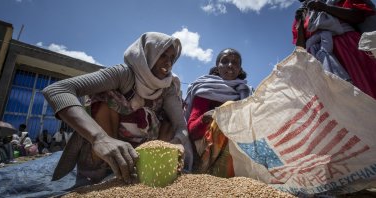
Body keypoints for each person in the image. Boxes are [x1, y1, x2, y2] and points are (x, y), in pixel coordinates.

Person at [43, 32, 193, 186]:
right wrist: (100, 139)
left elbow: (180, 126)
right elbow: (57, 90)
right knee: (105, 99)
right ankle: (105, 171)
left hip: (145, 154)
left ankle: (150, 174)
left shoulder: (168, 87)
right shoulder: (123, 74)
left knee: (168, 122)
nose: (168, 63)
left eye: (172, 58)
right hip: (108, 147)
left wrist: (176, 143)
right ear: (148, 53)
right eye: (163, 55)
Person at [184, 48, 253, 177]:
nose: (230, 65)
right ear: (217, 67)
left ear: (239, 69)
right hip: (205, 145)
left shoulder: (245, 93)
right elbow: (192, 132)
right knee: (229, 108)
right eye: (225, 61)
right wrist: (206, 118)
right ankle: (205, 170)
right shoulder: (205, 89)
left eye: (235, 63)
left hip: (236, 143)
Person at [293, 0, 376, 99]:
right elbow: (300, 47)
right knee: (336, 100)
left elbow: (357, 16)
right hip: (317, 58)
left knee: (364, 88)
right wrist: (300, 22)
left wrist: (324, 7)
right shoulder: (302, 14)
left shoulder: (336, 1)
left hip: (347, 47)